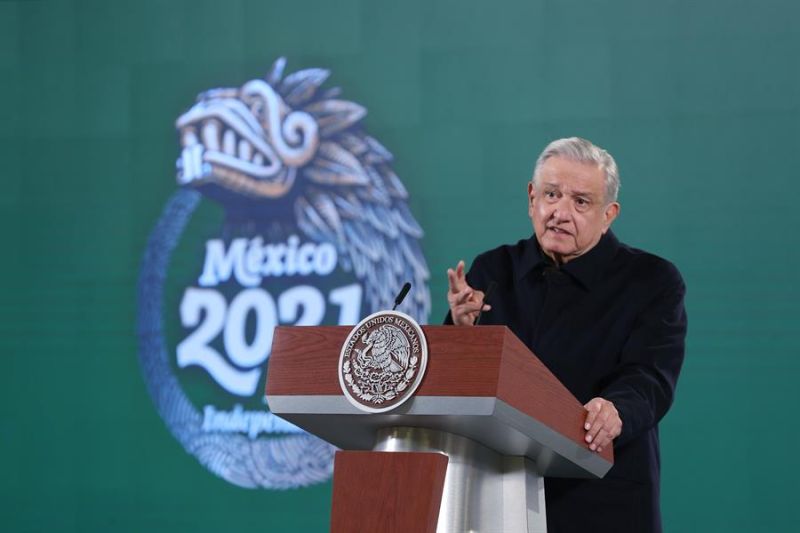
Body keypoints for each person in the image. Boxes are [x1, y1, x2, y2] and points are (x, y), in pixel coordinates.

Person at [445, 137, 686, 533]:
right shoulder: (493, 270)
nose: (559, 212)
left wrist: (616, 410)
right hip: (497, 497)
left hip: (599, 498)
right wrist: (458, 329)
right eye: (551, 195)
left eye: (580, 201)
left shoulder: (651, 280)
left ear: (609, 214)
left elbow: (651, 376)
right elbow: (458, 384)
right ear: (531, 198)